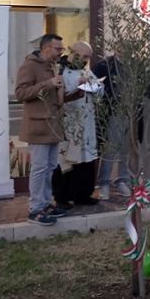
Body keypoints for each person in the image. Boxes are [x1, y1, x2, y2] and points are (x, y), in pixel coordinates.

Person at [15, 33, 67, 226]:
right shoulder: (30, 65)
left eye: (61, 49)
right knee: (39, 168)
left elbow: (55, 95)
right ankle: (35, 209)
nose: (61, 52)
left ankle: (45, 203)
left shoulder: (52, 67)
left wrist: (76, 90)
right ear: (45, 48)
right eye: (58, 48)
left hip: (53, 125)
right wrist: (48, 83)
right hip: (38, 126)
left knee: (50, 167)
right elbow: (21, 93)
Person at [52, 42, 100, 208]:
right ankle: (62, 196)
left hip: (87, 122)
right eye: (85, 56)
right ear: (75, 53)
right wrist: (77, 85)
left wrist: (96, 86)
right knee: (68, 160)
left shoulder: (85, 70)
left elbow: (99, 91)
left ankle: (83, 194)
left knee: (86, 161)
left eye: (89, 57)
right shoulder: (61, 70)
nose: (87, 60)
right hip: (70, 122)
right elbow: (58, 97)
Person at [93, 50, 132, 200]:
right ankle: (104, 182)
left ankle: (122, 180)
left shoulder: (134, 65)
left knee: (126, 149)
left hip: (131, 113)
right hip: (112, 112)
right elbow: (94, 85)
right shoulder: (104, 65)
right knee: (111, 148)